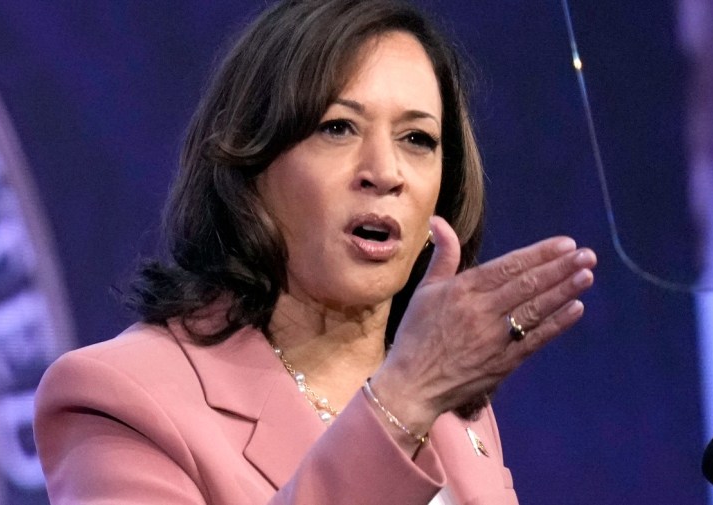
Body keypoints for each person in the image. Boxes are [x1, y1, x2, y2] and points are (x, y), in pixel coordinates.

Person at [34, 1, 597, 503]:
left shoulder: (455, 410)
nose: (385, 172)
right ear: (250, 164)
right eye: (338, 128)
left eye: (417, 139)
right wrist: (401, 402)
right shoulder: (121, 399)